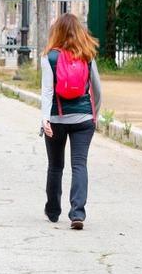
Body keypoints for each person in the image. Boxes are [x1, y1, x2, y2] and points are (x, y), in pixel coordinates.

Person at [40, 13, 102, 230]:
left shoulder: (49, 57)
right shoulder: (87, 55)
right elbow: (97, 88)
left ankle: (53, 210)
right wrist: (95, 115)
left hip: (56, 119)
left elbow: (47, 92)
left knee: (55, 165)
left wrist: (44, 120)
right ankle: (77, 213)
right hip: (84, 118)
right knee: (79, 165)